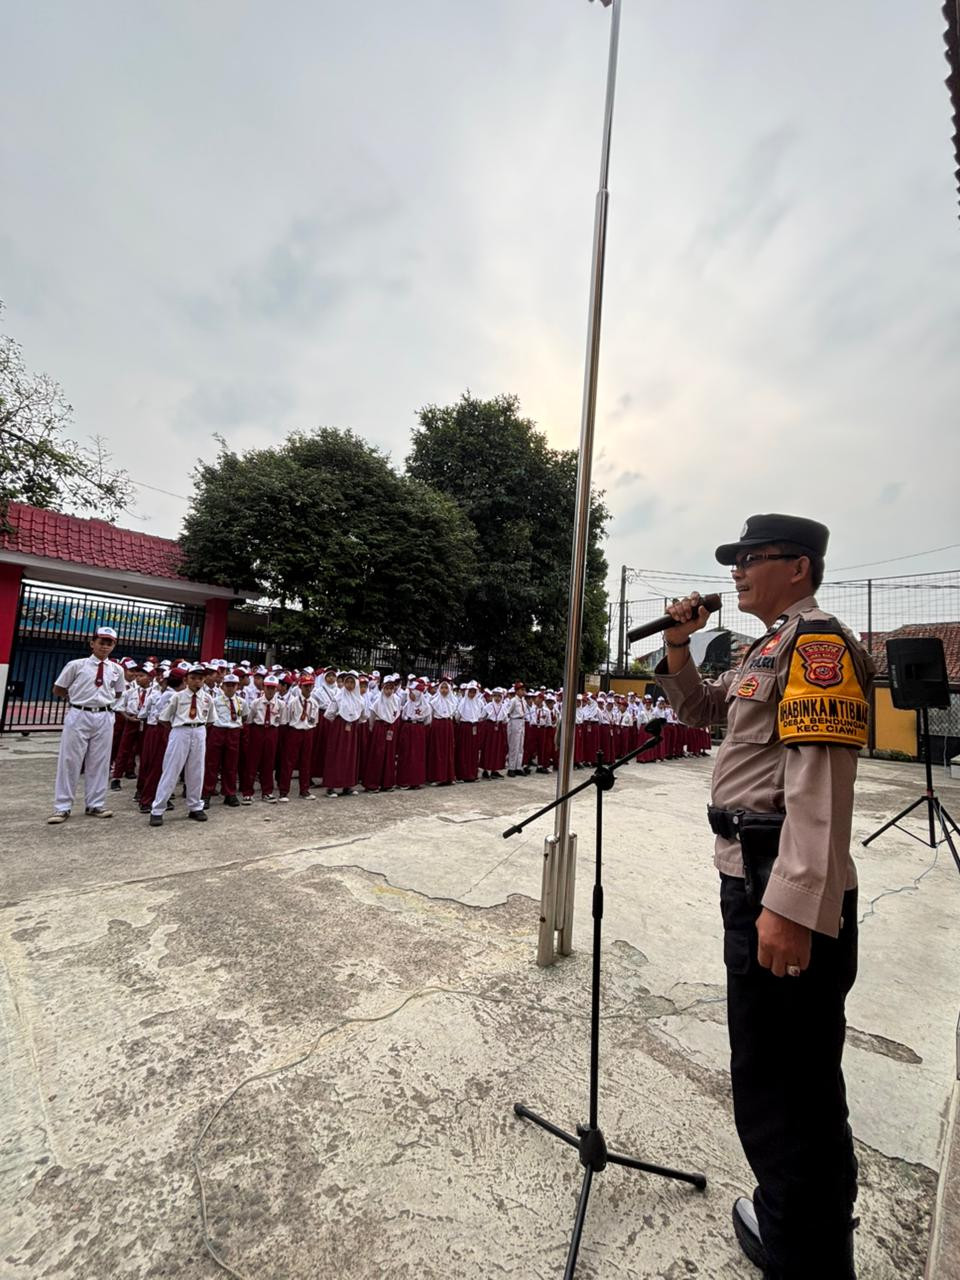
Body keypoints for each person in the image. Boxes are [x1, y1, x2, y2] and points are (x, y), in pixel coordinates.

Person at [656, 513, 872, 1280]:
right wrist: (678, 645)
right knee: (778, 1071)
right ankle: (793, 1222)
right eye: (737, 560)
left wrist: (791, 903)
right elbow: (701, 710)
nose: (739, 570)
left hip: (777, 880)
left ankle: (805, 1254)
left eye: (754, 558)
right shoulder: (765, 647)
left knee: (788, 1084)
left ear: (800, 568)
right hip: (752, 873)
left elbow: (819, 782)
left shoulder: (815, 646)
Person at [47, 626, 126, 823]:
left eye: (109, 643)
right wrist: (77, 698)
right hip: (79, 713)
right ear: (92, 643)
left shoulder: (117, 669)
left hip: (104, 715)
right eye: (101, 642)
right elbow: (58, 689)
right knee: (70, 760)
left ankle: (95, 804)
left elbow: (117, 692)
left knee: (99, 761)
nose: (105, 646)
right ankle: (62, 807)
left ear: (114, 646)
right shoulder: (77, 665)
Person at [149, 664, 216, 826]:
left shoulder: (208, 699)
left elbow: (210, 721)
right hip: (180, 731)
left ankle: (195, 806)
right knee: (171, 769)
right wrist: (178, 728)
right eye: (193, 678)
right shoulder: (177, 697)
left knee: (196, 770)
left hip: (199, 730)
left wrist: (197, 729)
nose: (197, 682)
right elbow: (164, 718)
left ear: (204, 680)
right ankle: (158, 809)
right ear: (185, 679)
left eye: (200, 678)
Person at [203, 670, 246, 808]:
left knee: (231, 765)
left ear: (237, 687)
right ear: (222, 686)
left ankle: (229, 793)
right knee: (211, 765)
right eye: (227, 685)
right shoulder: (215, 701)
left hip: (233, 732)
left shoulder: (242, 702)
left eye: (233, 685)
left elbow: (244, 716)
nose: (230, 688)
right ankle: (206, 793)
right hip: (218, 731)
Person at [323, 670, 365, 797]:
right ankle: (331, 786)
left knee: (350, 756)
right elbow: (329, 714)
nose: (350, 685)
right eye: (348, 682)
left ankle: (348, 785)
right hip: (339, 729)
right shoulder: (338, 697)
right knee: (337, 755)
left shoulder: (359, 699)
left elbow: (363, 716)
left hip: (352, 731)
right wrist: (339, 722)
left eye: (353, 682)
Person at [277, 674, 318, 801]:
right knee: (289, 761)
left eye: (310, 686)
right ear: (300, 686)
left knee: (306, 761)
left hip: (308, 731)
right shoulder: (293, 702)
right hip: (294, 731)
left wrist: (309, 726)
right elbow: (288, 718)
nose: (308, 688)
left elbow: (314, 720)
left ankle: (304, 790)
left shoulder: (314, 703)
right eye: (305, 686)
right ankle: (284, 791)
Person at [362, 674, 401, 792]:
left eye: (391, 688)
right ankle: (373, 783)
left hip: (391, 728)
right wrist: (373, 729)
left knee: (389, 755)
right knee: (377, 754)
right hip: (380, 728)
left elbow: (397, 713)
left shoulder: (396, 700)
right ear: (383, 688)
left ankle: (387, 783)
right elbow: (372, 717)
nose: (389, 691)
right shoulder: (378, 700)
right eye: (387, 688)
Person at [396, 680, 432, 789]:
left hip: (419, 730)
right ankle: (405, 780)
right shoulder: (408, 704)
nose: (410, 695)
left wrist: (418, 724)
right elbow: (403, 716)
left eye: (412, 693)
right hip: (408, 728)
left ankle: (416, 780)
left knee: (417, 755)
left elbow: (428, 720)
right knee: (406, 754)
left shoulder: (426, 706)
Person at [427, 678, 457, 785]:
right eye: (442, 688)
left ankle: (448, 776)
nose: (444, 690)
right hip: (437, 726)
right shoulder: (434, 701)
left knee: (448, 750)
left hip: (448, 726)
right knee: (437, 750)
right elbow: (430, 716)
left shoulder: (453, 701)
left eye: (446, 688)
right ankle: (437, 777)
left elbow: (454, 715)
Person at [454, 681, 484, 782]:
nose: (472, 694)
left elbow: (479, 716)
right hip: (465, 727)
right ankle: (462, 774)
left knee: (473, 751)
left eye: (474, 692)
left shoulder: (478, 703)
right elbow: (458, 717)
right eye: (470, 692)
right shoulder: (463, 702)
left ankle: (472, 774)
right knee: (463, 751)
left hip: (474, 727)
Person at [504, 681, 527, 777]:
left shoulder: (523, 701)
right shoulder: (513, 700)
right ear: (517, 691)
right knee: (514, 745)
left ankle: (518, 766)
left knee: (521, 746)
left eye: (524, 689)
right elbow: (508, 712)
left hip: (522, 721)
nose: (523, 691)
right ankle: (511, 767)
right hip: (515, 721)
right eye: (521, 689)